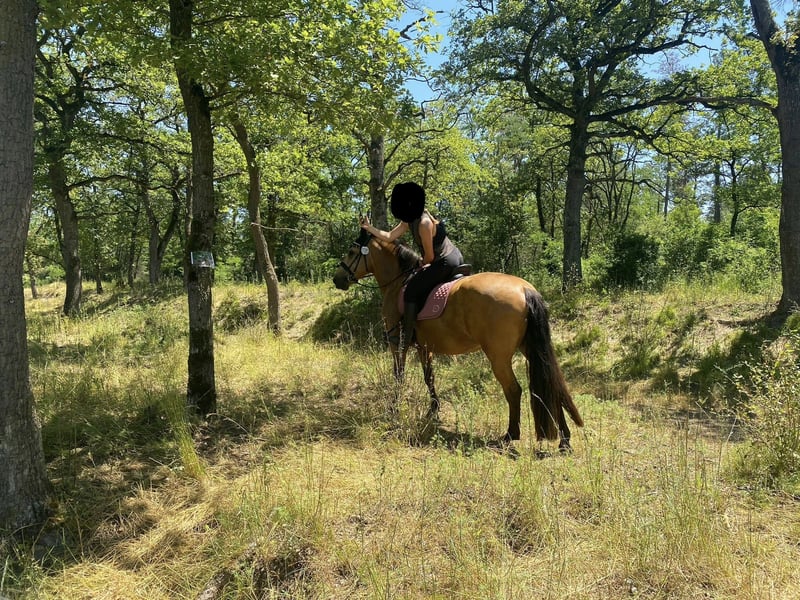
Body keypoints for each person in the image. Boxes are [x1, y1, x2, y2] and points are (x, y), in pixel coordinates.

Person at [360, 181, 464, 353]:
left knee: (411, 290)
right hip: (446, 257)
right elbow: (390, 236)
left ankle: (406, 337)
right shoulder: (410, 220)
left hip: (445, 260)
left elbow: (430, 257)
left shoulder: (424, 223)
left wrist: (420, 264)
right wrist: (369, 228)